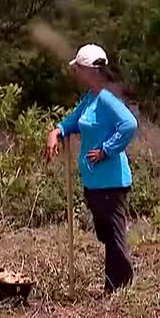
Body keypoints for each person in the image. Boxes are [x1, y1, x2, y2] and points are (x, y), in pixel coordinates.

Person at [46, 44, 139, 295]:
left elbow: (129, 125)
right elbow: (75, 120)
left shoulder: (108, 98)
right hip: (94, 181)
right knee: (105, 233)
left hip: (111, 180)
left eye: (78, 68)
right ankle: (114, 284)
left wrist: (106, 150)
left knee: (114, 235)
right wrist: (58, 131)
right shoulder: (91, 98)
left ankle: (119, 286)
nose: (76, 73)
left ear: (89, 70)